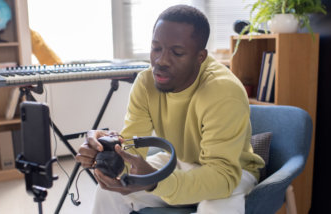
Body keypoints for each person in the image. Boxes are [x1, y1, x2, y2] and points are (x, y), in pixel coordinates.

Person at [76, 4, 265, 214]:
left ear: (200, 57)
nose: (161, 61)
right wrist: (108, 155)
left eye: (177, 52)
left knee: (215, 206)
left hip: (232, 172)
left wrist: (155, 182)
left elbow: (222, 176)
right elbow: (133, 149)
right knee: (108, 192)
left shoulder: (223, 91)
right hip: (179, 161)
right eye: (156, 48)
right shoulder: (146, 83)